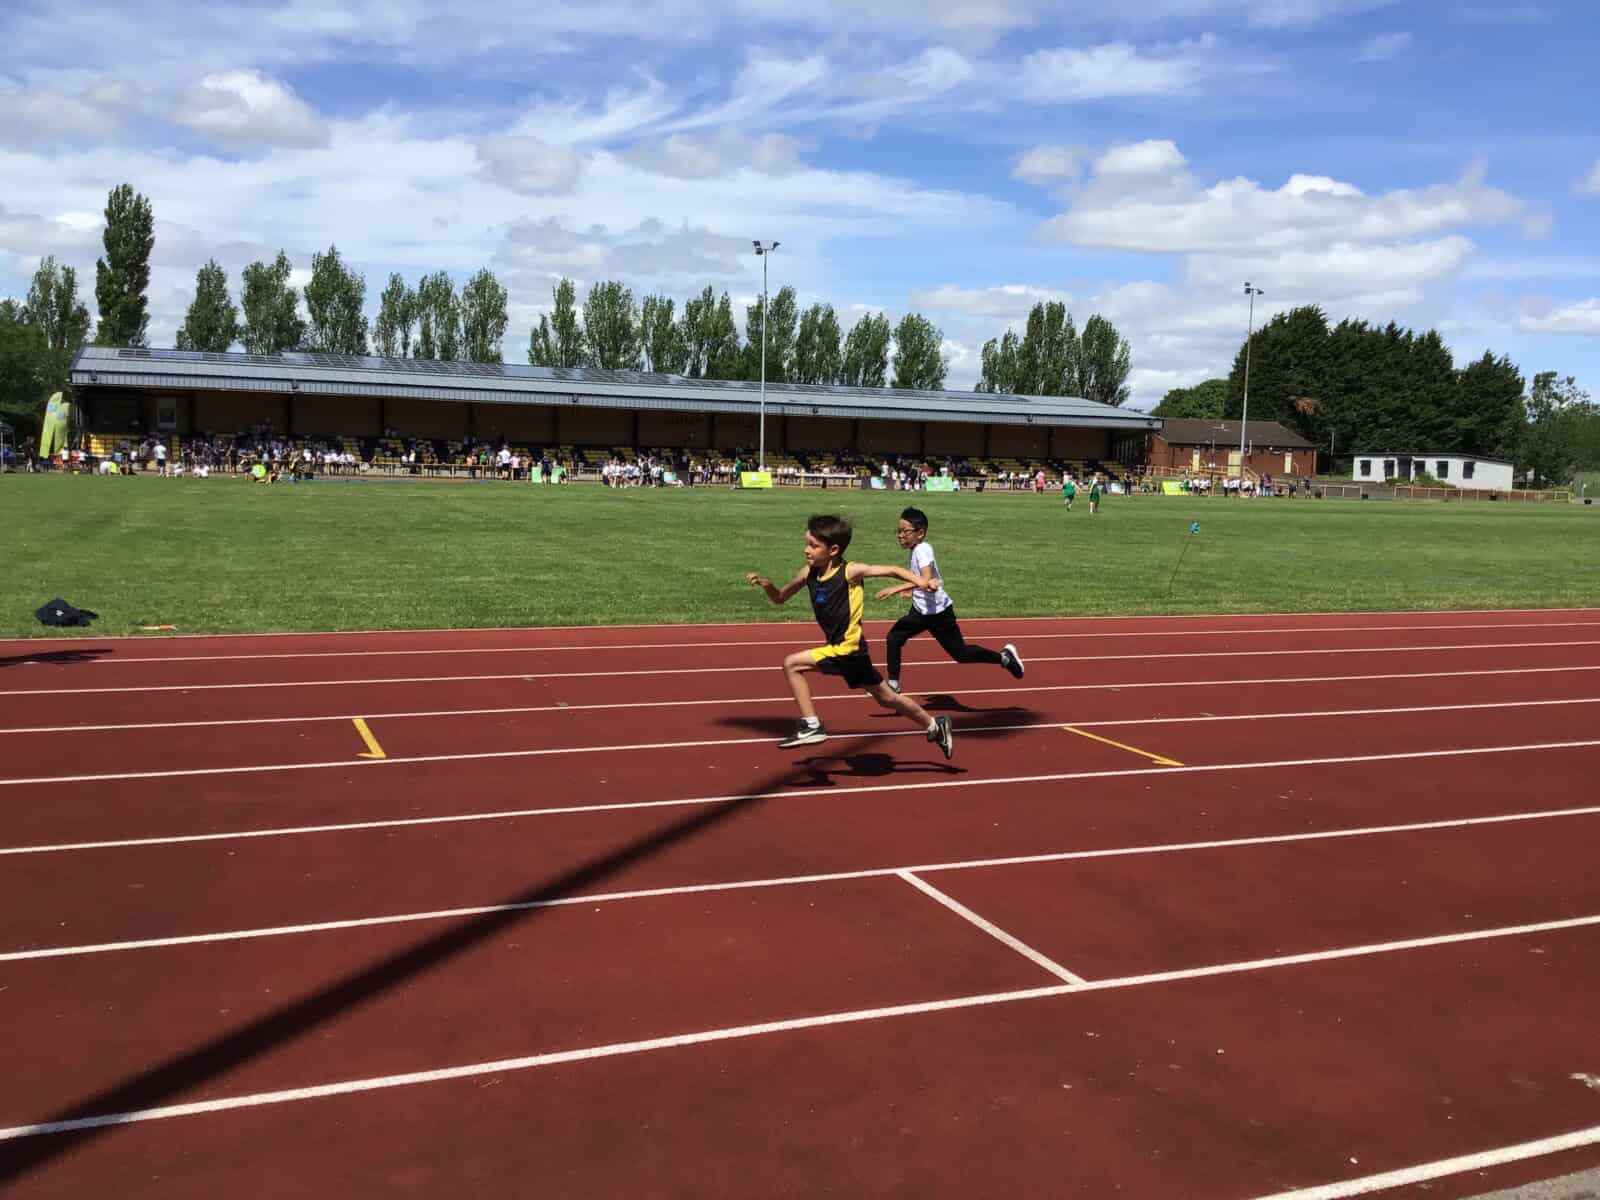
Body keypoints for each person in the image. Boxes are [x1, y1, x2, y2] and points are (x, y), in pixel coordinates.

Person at [746, 513, 954, 756]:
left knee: (791, 664)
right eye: (807, 544)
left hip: (848, 648)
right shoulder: (808, 573)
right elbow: (780, 598)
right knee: (887, 698)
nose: (806, 550)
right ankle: (935, 725)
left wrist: (921, 582)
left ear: (833, 550)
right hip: (850, 651)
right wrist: (768, 586)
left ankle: (811, 725)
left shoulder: (850, 572)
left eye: (813, 545)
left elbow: (893, 570)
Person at [878, 507, 1025, 694]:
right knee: (894, 637)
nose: (900, 535)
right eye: (898, 531)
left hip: (939, 613)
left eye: (905, 531)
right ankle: (893, 684)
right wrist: (913, 589)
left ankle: (1005, 658)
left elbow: (925, 579)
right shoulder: (916, 549)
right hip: (921, 611)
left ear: (920, 533)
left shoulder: (922, 550)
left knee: (961, 655)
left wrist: (897, 588)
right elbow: (923, 579)